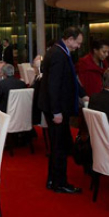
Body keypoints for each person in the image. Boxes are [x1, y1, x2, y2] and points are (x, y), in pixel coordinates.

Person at [39, 26, 86, 194]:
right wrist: (56, 111)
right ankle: (59, 182)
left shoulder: (59, 51)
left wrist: (83, 94)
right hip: (57, 109)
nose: (78, 47)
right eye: (78, 43)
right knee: (59, 147)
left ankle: (53, 180)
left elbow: (70, 78)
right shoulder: (59, 54)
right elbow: (54, 85)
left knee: (59, 145)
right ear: (70, 39)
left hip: (55, 107)